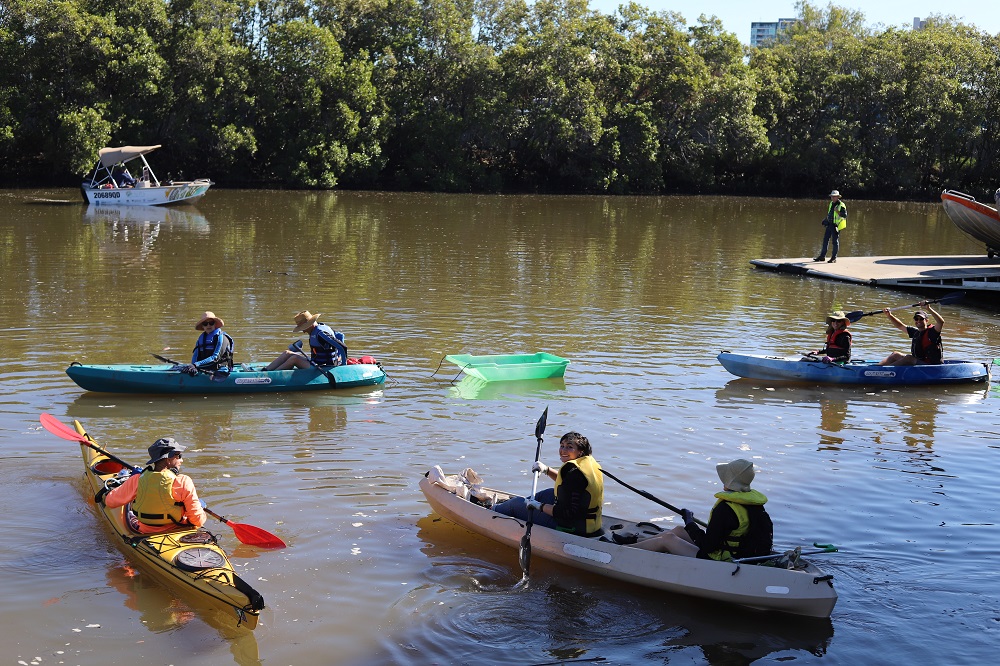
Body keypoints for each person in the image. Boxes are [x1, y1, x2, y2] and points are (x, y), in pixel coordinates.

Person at [631, 459, 773, 561]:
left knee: (668, 539)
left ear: (730, 481)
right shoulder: (753, 503)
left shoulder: (724, 508)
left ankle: (623, 551)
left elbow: (707, 547)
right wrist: (688, 525)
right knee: (680, 530)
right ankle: (635, 542)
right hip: (735, 552)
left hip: (720, 560)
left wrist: (690, 522)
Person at [493, 431, 604, 537]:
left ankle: (492, 510)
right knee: (549, 493)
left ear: (580, 451)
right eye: (562, 445)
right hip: (590, 523)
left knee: (515, 504)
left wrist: (539, 506)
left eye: (569, 447)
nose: (563, 450)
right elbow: (569, 485)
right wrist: (546, 470)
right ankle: (515, 506)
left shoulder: (573, 472)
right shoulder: (587, 464)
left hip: (572, 528)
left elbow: (566, 513)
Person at [97, 438, 206, 535]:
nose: (181, 460)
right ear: (168, 459)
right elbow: (198, 521)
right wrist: (200, 509)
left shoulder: (138, 479)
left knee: (129, 512)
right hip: (178, 530)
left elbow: (110, 502)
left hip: (145, 531)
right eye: (178, 456)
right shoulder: (183, 481)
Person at [264, 310, 347, 371]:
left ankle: (272, 376)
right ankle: (266, 371)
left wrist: (343, 365)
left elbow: (343, 347)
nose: (303, 331)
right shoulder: (322, 326)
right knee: (287, 353)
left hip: (323, 367)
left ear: (309, 325)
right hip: (315, 362)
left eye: (303, 328)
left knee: (294, 359)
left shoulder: (321, 334)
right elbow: (340, 336)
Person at [878, 302, 944, 366]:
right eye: (916, 319)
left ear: (926, 320)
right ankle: (875, 368)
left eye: (921, 319)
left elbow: (940, 322)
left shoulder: (932, 332)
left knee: (909, 358)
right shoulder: (915, 332)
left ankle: (887, 371)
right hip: (920, 361)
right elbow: (900, 326)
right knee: (896, 354)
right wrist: (889, 315)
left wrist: (928, 308)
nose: (918, 321)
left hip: (931, 366)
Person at [814, 190, 848, 263]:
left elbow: (844, 215)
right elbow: (830, 213)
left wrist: (837, 211)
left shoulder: (841, 205)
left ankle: (833, 258)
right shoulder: (831, 203)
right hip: (829, 224)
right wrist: (825, 219)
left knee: (835, 242)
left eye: (834, 196)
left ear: (838, 197)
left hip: (836, 225)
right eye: (832, 196)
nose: (833, 198)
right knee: (825, 240)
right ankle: (822, 256)